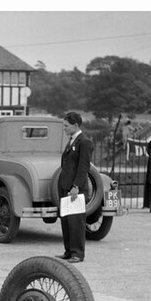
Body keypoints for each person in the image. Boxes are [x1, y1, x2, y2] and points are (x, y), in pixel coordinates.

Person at [56, 111, 92, 264]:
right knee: (66, 220)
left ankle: (77, 253)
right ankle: (69, 251)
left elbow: (84, 167)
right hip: (65, 186)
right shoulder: (71, 141)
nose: (64, 128)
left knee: (76, 221)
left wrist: (76, 186)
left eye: (67, 126)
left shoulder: (84, 142)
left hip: (75, 188)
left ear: (75, 125)